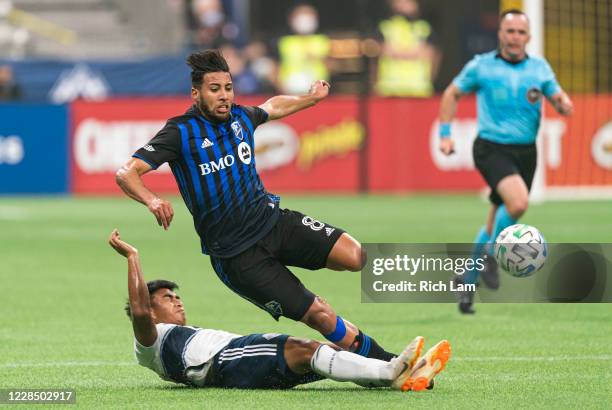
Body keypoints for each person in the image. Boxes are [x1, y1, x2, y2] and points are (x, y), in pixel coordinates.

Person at [115, 50, 396, 363]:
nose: (224, 96)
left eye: (228, 88)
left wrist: (310, 98)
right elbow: (127, 173)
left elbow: (271, 107)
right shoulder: (180, 132)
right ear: (196, 94)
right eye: (214, 89)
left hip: (274, 223)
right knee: (320, 313)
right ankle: (387, 363)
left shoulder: (240, 117)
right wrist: (152, 199)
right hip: (238, 256)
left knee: (356, 255)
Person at [108, 229, 451, 391]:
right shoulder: (150, 341)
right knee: (306, 349)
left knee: (323, 353)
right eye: (166, 298)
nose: (176, 300)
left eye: (174, 295)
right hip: (227, 359)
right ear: (151, 312)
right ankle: (393, 372)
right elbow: (138, 311)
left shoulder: (179, 336)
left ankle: (397, 375)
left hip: (234, 364)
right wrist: (133, 258)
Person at [438, 9, 573, 314]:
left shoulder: (539, 68)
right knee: (519, 204)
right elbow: (451, 94)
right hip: (491, 148)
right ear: (500, 34)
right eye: (509, 31)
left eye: (520, 33)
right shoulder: (482, 66)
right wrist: (445, 135)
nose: (515, 38)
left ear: (528, 36)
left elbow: (558, 97)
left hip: (526, 153)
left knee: (498, 216)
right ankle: (487, 257)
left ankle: (467, 280)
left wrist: (564, 105)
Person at [376, 0, 440, 97]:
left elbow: (433, 56)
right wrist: (415, 53)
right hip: (389, 92)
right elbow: (378, 55)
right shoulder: (384, 28)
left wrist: (397, 53)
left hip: (419, 93)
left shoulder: (425, 29)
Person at [277, 4, 330, 94]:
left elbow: (331, 64)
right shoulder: (285, 42)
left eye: (309, 17)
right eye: (301, 17)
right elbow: (278, 67)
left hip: (317, 90)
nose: (305, 21)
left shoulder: (323, 40)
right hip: (290, 90)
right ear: (291, 20)